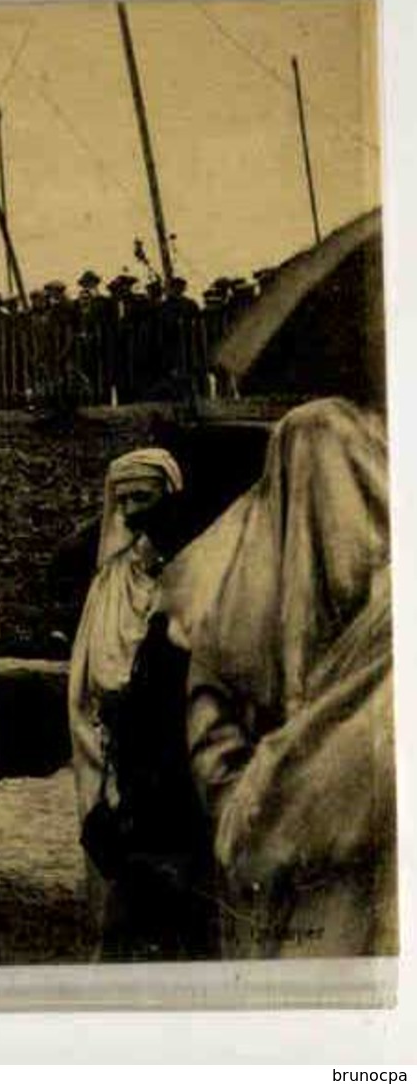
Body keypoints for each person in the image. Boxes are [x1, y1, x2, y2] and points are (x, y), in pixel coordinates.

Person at [169, 398, 394, 958]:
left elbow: (212, 744)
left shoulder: (235, 602)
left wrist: (246, 803)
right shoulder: (246, 604)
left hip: (305, 883)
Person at [66, 448, 183, 937]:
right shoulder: (109, 579)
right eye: (125, 498)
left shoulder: (187, 573)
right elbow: (93, 660)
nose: (134, 509)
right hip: (102, 725)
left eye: (145, 496)